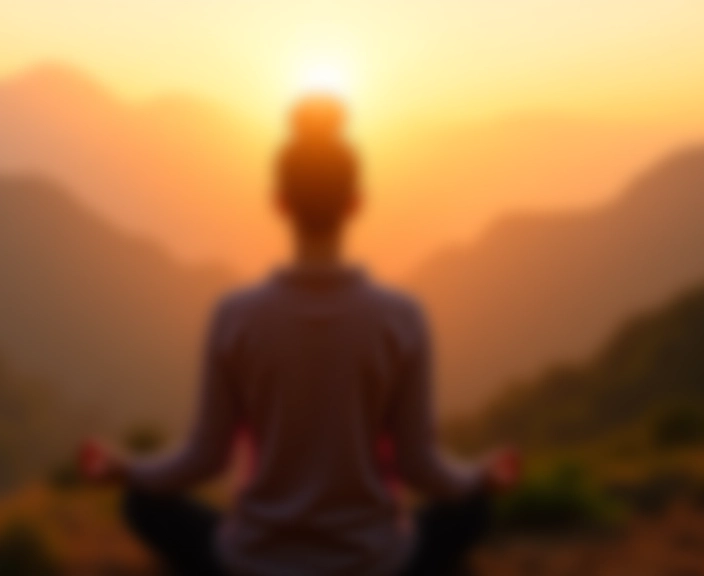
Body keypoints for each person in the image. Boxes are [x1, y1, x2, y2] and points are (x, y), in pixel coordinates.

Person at [79, 94, 521, 576]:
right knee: (472, 508)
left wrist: (126, 469)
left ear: (280, 202)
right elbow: (421, 468)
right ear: (355, 203)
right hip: (372, 562)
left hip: (252, 562)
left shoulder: (235, 316)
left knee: (142, 504)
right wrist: (481, 474)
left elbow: (204, 459)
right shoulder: (402, 317)